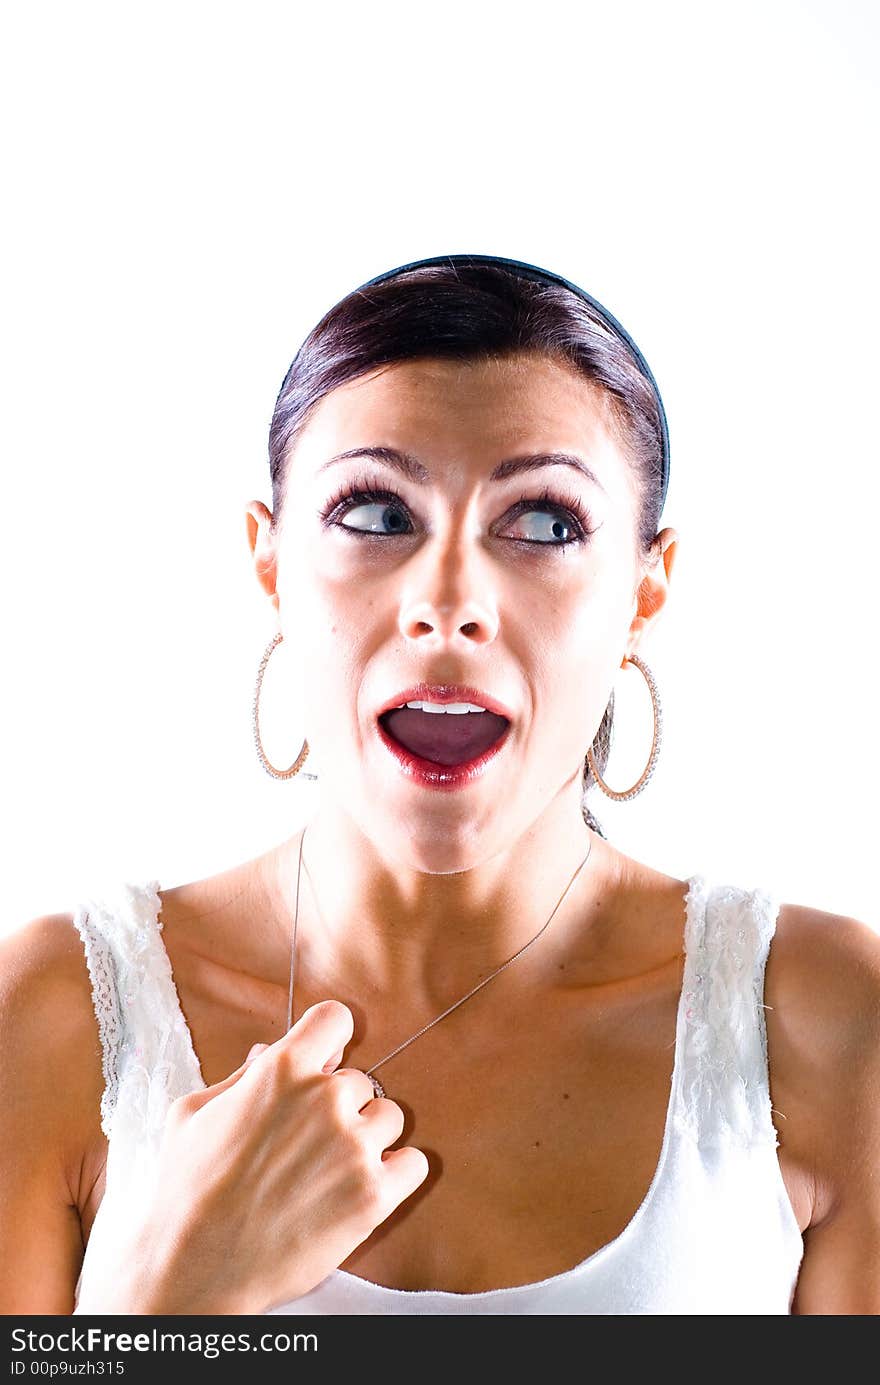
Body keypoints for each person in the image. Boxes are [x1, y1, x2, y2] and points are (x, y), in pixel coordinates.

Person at [1, 254, 877, 1317]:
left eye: (545, 522)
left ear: (647, 589)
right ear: (269, 561)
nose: (450, 599)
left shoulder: (825, 1025)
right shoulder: (52, 1018)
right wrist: (162, 1302)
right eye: (375, 512)